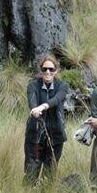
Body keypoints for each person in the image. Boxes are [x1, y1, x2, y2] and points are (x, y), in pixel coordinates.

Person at [24, 54, 68, 183]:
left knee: (49, 174)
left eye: (51, 69)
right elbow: (32, 103)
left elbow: (57, 99)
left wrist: (43, 107)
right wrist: (34, 110)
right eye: (44, 69)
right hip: (35, 135)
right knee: (31, 171)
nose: (48, 72)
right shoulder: (32, 86)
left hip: (56, 136)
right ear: (41, 70)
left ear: (56, 71)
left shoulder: (62, 86)